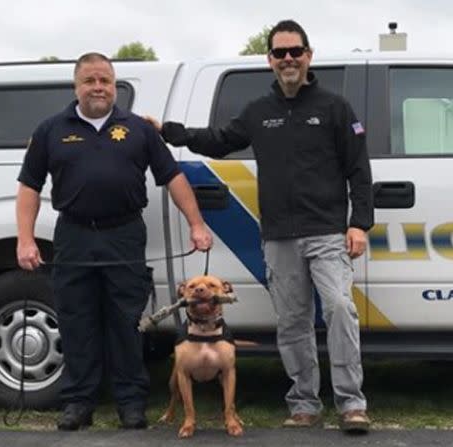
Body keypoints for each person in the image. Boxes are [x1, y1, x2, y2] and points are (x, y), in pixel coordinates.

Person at [146, 20, 373, 433]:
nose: (288, 59)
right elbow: (217, 139)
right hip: (279, 235)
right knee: (292, 320)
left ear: (308, 56)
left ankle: (350, 403)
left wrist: (358, 223)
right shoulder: (258, 112)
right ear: (270, 60)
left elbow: (359, 169)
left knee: (340, 309)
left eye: (295, 51)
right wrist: (167, 132)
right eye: (280, 53)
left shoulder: (334, 107)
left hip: (325, 231)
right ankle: (304, 403)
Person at [16, 52, 212, 431]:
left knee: (126, 321)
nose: (98, 87)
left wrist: (197, 224)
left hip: (124, 234)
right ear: (76, 86)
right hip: (73, 234)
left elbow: (172, 177)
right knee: (76, 320)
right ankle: (78, 401)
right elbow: (29, 186)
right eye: (89, 80)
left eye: (105, 80)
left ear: (115, 84)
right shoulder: (51, 130)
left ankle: (130, 401)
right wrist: (25, 239)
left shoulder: (138, 129)